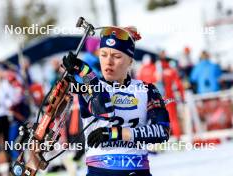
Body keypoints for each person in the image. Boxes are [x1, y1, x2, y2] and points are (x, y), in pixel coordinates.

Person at [63, 26, 170, 176]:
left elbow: (162, 131)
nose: (109, 62)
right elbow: (104, 110)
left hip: (136, 169)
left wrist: (115, 133)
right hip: (99, 171)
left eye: (117, 56)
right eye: (103, 54)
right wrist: (85, 73)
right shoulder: (88, 86)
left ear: (130, 61)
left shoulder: (146, 89)